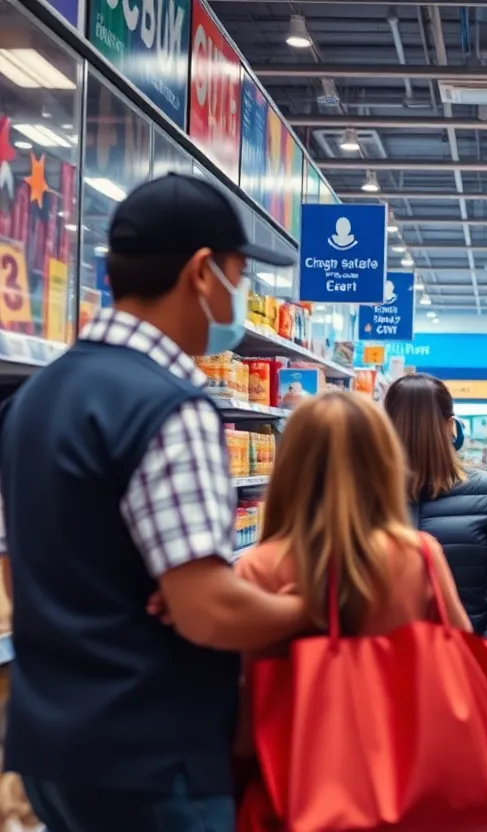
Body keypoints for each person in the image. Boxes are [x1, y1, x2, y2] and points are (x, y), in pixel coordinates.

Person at [0, 173, 306, 832]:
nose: (241, 295)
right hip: (152, 758)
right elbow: (207, 612)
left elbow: (19, 574)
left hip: (51, 750)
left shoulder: (33, 401)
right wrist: (316, 605)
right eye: (240, 273)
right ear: (202, 273)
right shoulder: (170, 407)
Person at [234, 392, 471, 830]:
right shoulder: (416, 556)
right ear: (384, 463)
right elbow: (462, 659)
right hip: (402, 778)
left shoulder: (259, 567)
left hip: (295, 785)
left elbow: (247, 712)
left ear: (289, 467)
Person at [384, 373, 487, 642]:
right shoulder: (486, 490)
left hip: (390, 666)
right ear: (449, 425)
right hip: (452, 659)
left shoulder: (362, 494)